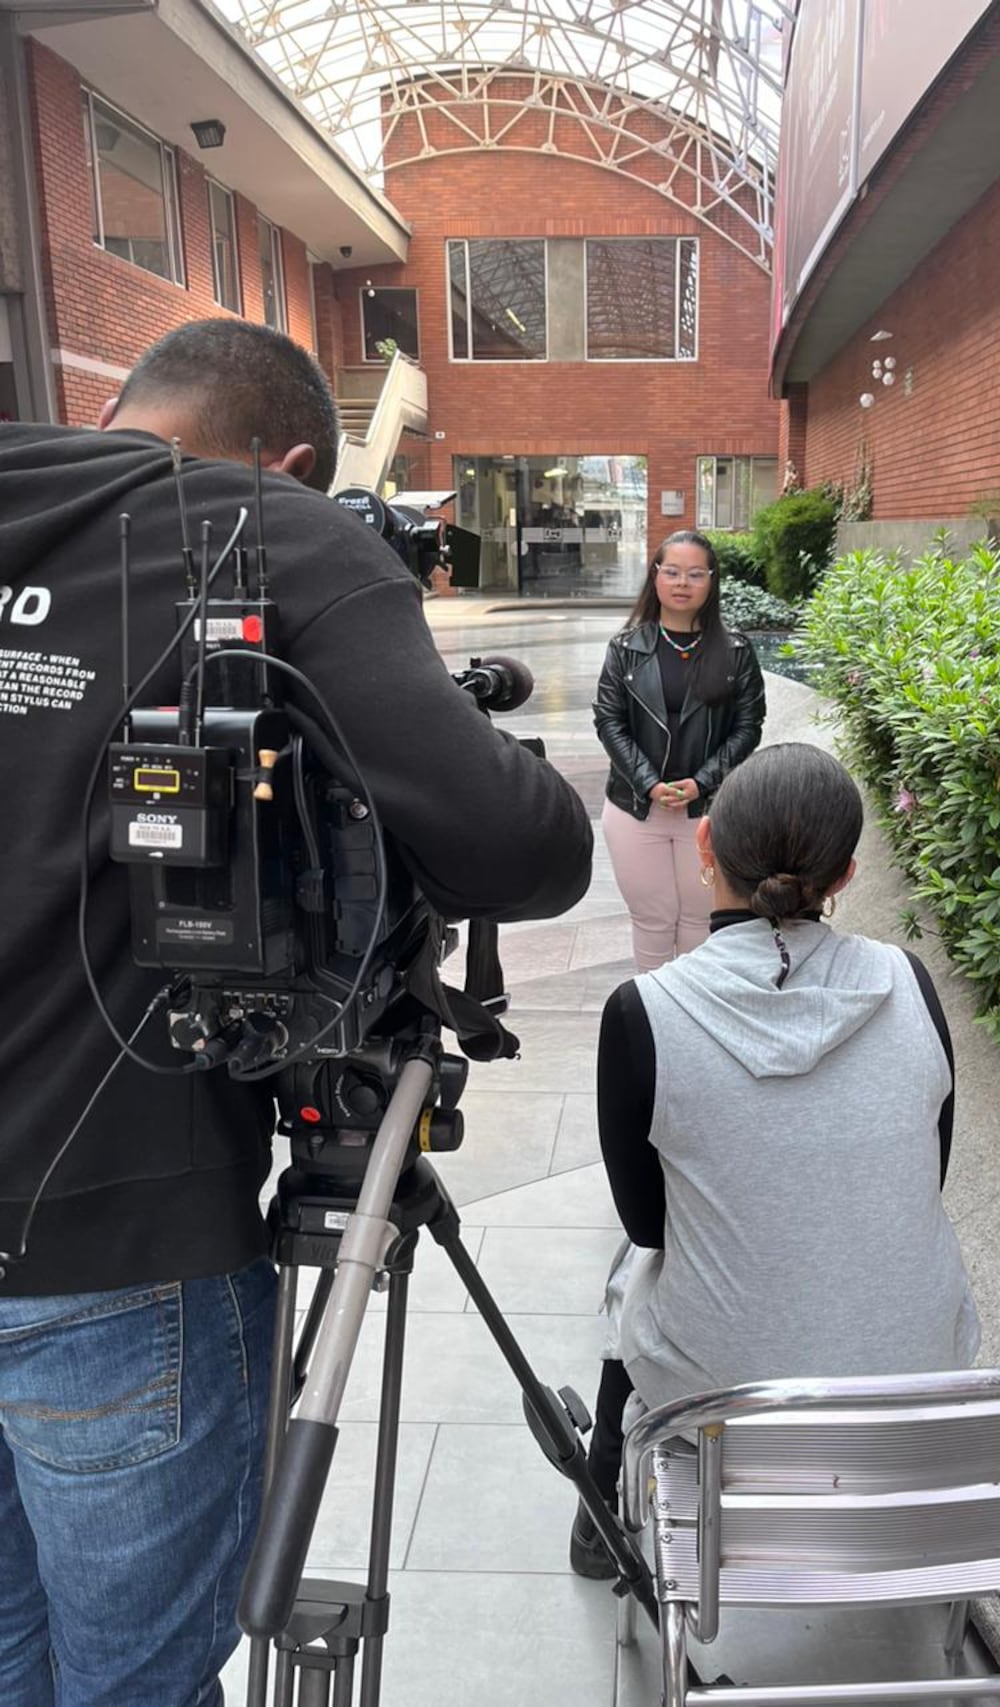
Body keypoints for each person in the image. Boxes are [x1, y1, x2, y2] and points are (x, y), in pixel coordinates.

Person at [0, 319, 593, 1706]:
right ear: (295, 465)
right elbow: (530, 848)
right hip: (110, 1237)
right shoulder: (266, 527)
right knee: (135, 1682)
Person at [570, 744, 980, 1576]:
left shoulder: (643, 1012)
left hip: (727, 1406)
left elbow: (648, 1223)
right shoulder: (909, 983)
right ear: (848, 873)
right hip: (912, 1389)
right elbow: (926, 1177)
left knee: (629, 1275)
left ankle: (598, 1515)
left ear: (705, 842)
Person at [593, 529, 766, 970]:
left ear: (712, 581)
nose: (682, 583)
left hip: (706, 813)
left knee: (699, 921)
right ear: (655, 577)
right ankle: (654, 1020)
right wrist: (649, 784)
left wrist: (702, 781)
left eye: (695, 573)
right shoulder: (625, 648)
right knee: (651, 921)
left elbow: (748, 727)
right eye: (672, 571)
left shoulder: (736, 652)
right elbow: (609, 722)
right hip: (635, 809)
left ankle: (693, 1018)